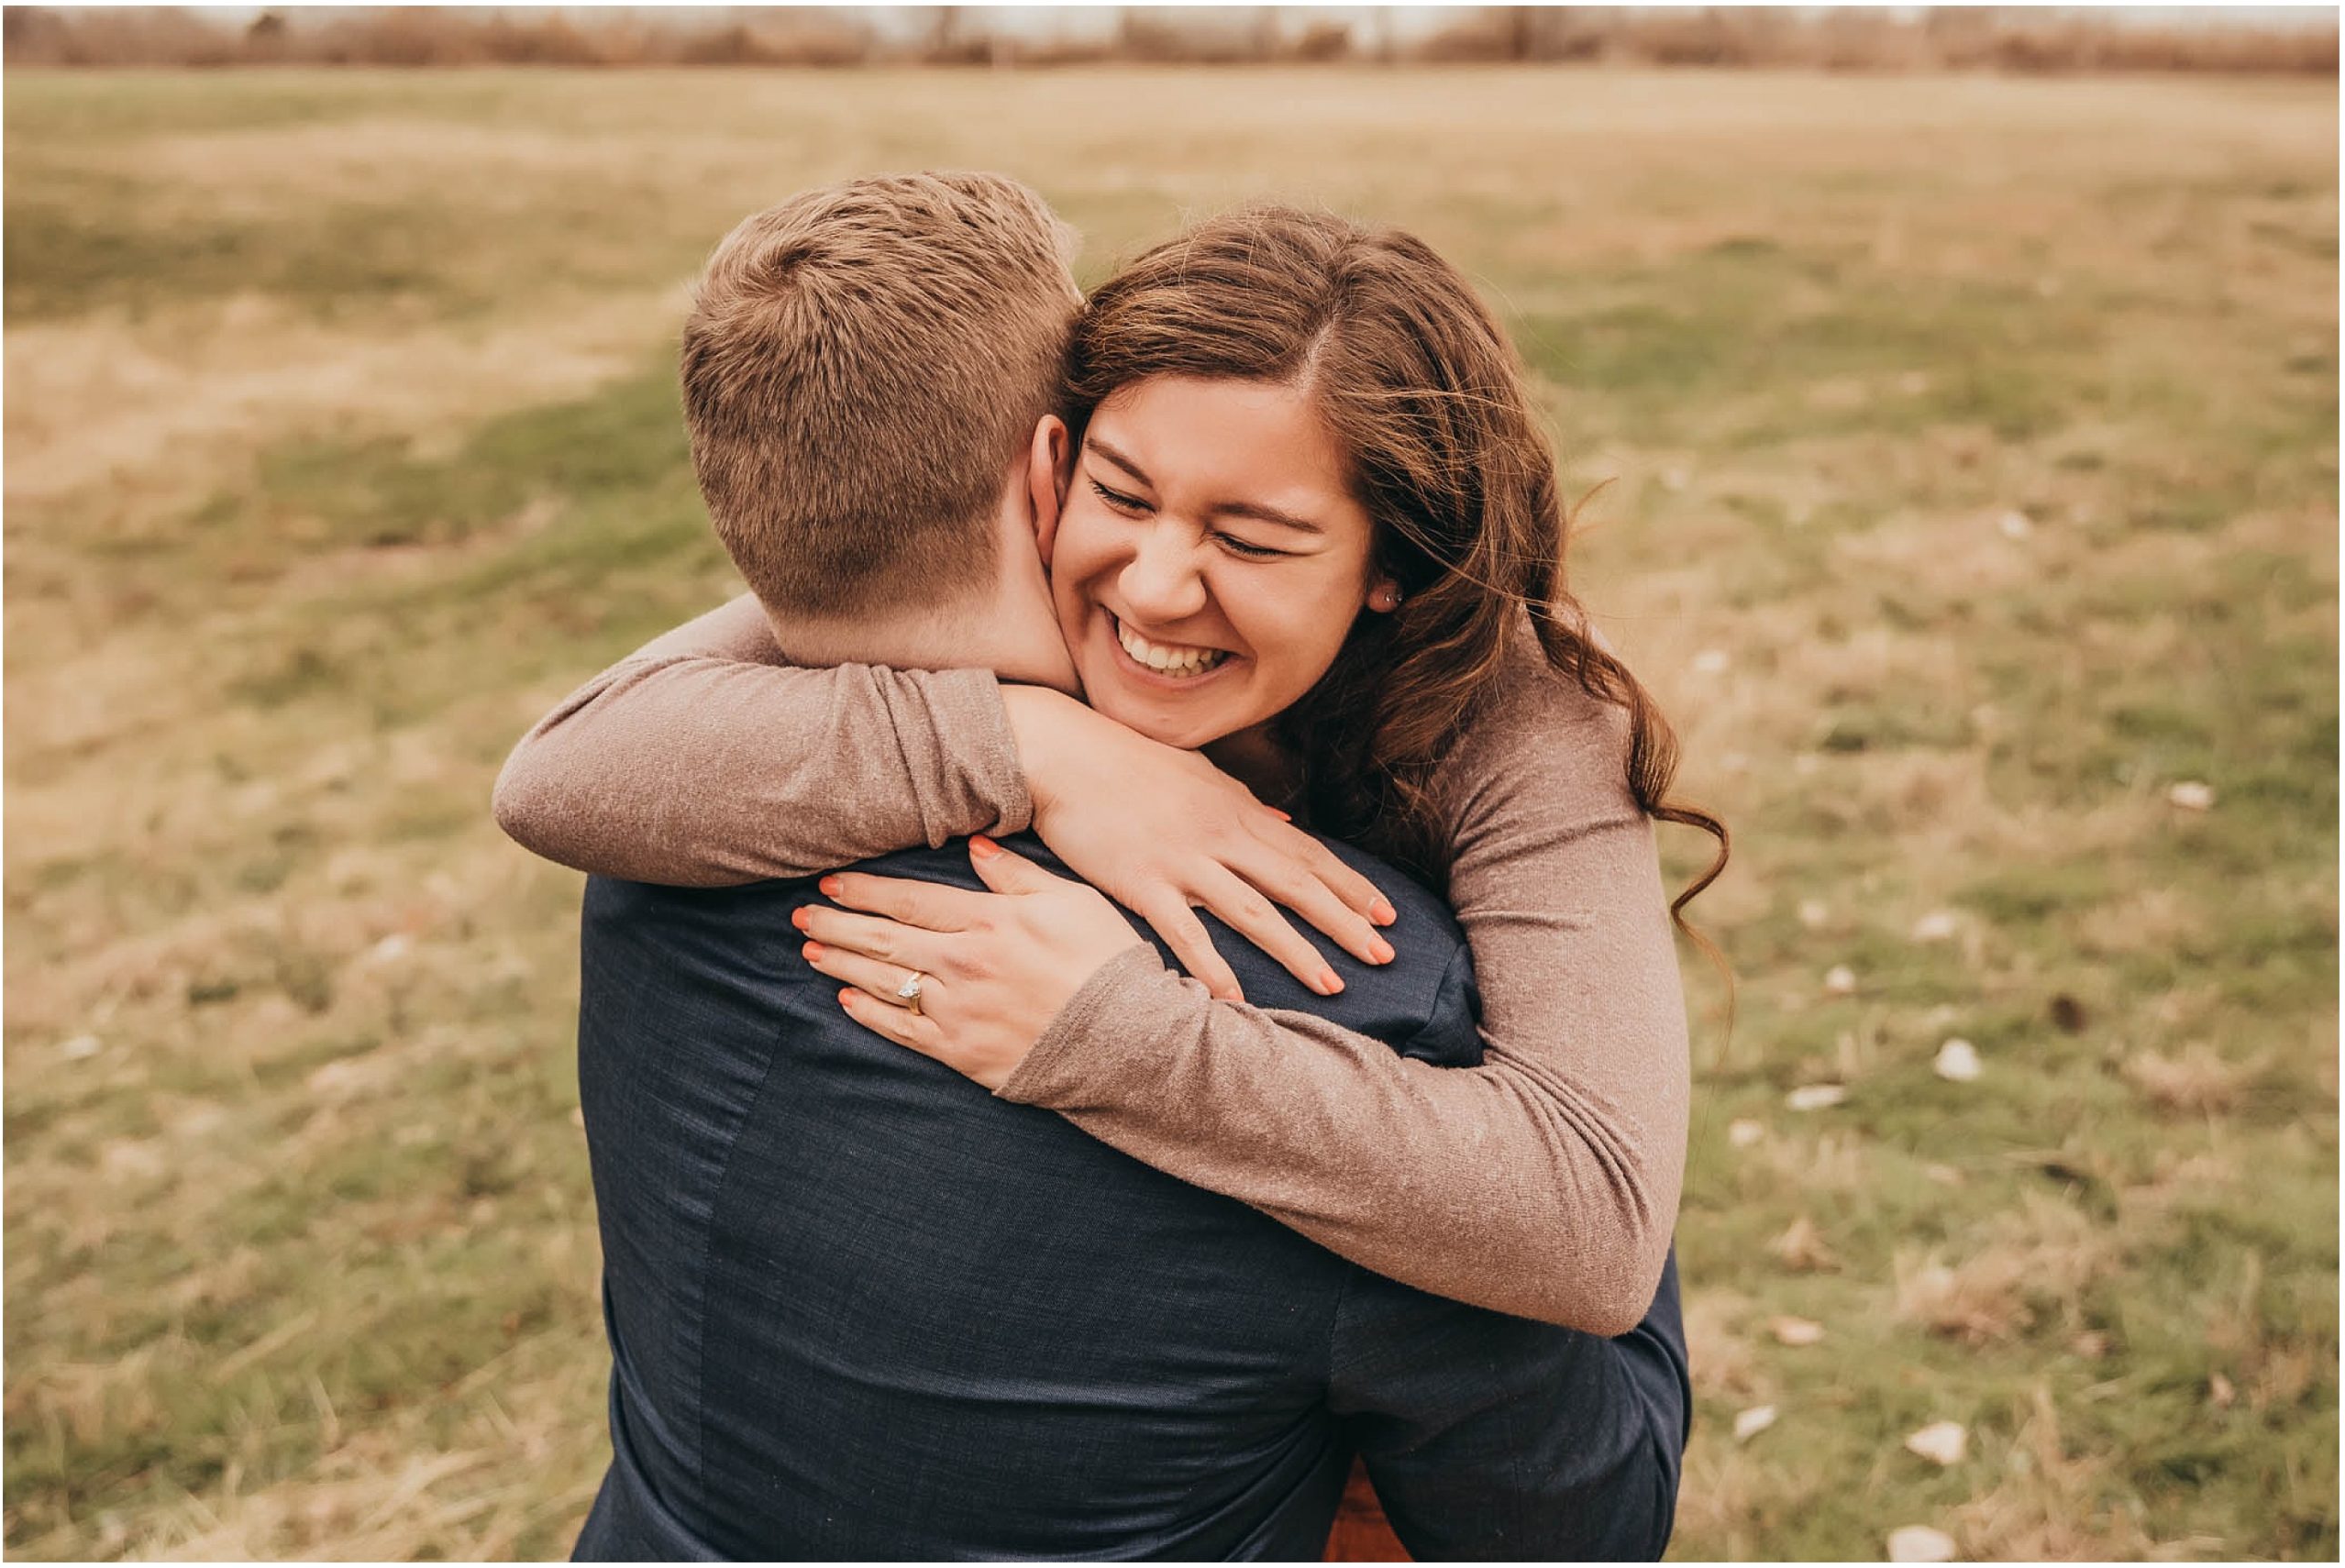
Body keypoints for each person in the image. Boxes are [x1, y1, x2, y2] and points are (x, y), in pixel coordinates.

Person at [525, 172, 1689, 1561]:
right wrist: (1025, 741)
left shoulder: (1521, 734)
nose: (1151, 585)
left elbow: (1593, 1220)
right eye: (1120, 493)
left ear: (1394, 561)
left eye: (1251, 538)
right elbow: (561, 769)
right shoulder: (946, 655)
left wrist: (1116, 1035)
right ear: (1048, 471)